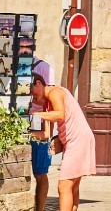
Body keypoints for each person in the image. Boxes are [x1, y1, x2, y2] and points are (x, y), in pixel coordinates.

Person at [31, 71, 95, 211]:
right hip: (76, 141)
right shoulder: (47, 105)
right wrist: (25, 135)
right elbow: (46, 134)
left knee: (64, 185)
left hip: (77, 141)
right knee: (72, 186)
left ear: (39, 83)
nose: (33, 98)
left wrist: (36, 114)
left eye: (32, 92)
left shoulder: (55, 92)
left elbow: (60, 114)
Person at [27, 62, 55, 211]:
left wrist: (47, 134)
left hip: (40, 122)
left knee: (40, 173)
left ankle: (40, 209)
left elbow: (49, 103)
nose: (32, 95)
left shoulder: (44, 67)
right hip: (24, 118)